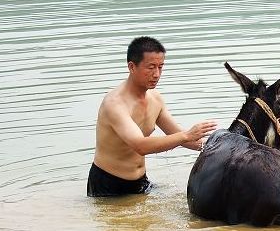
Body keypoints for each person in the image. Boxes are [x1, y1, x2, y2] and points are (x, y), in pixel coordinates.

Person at [87, 36, 217, 197]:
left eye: (160, 67)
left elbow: (180, 136)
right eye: (151, 67)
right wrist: (186, 135)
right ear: (131, 67)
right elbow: (141, 146)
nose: (156, 74)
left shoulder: (155, 99)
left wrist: (220, 148)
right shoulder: (114, 104)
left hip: (141, 181)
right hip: (108, 185)